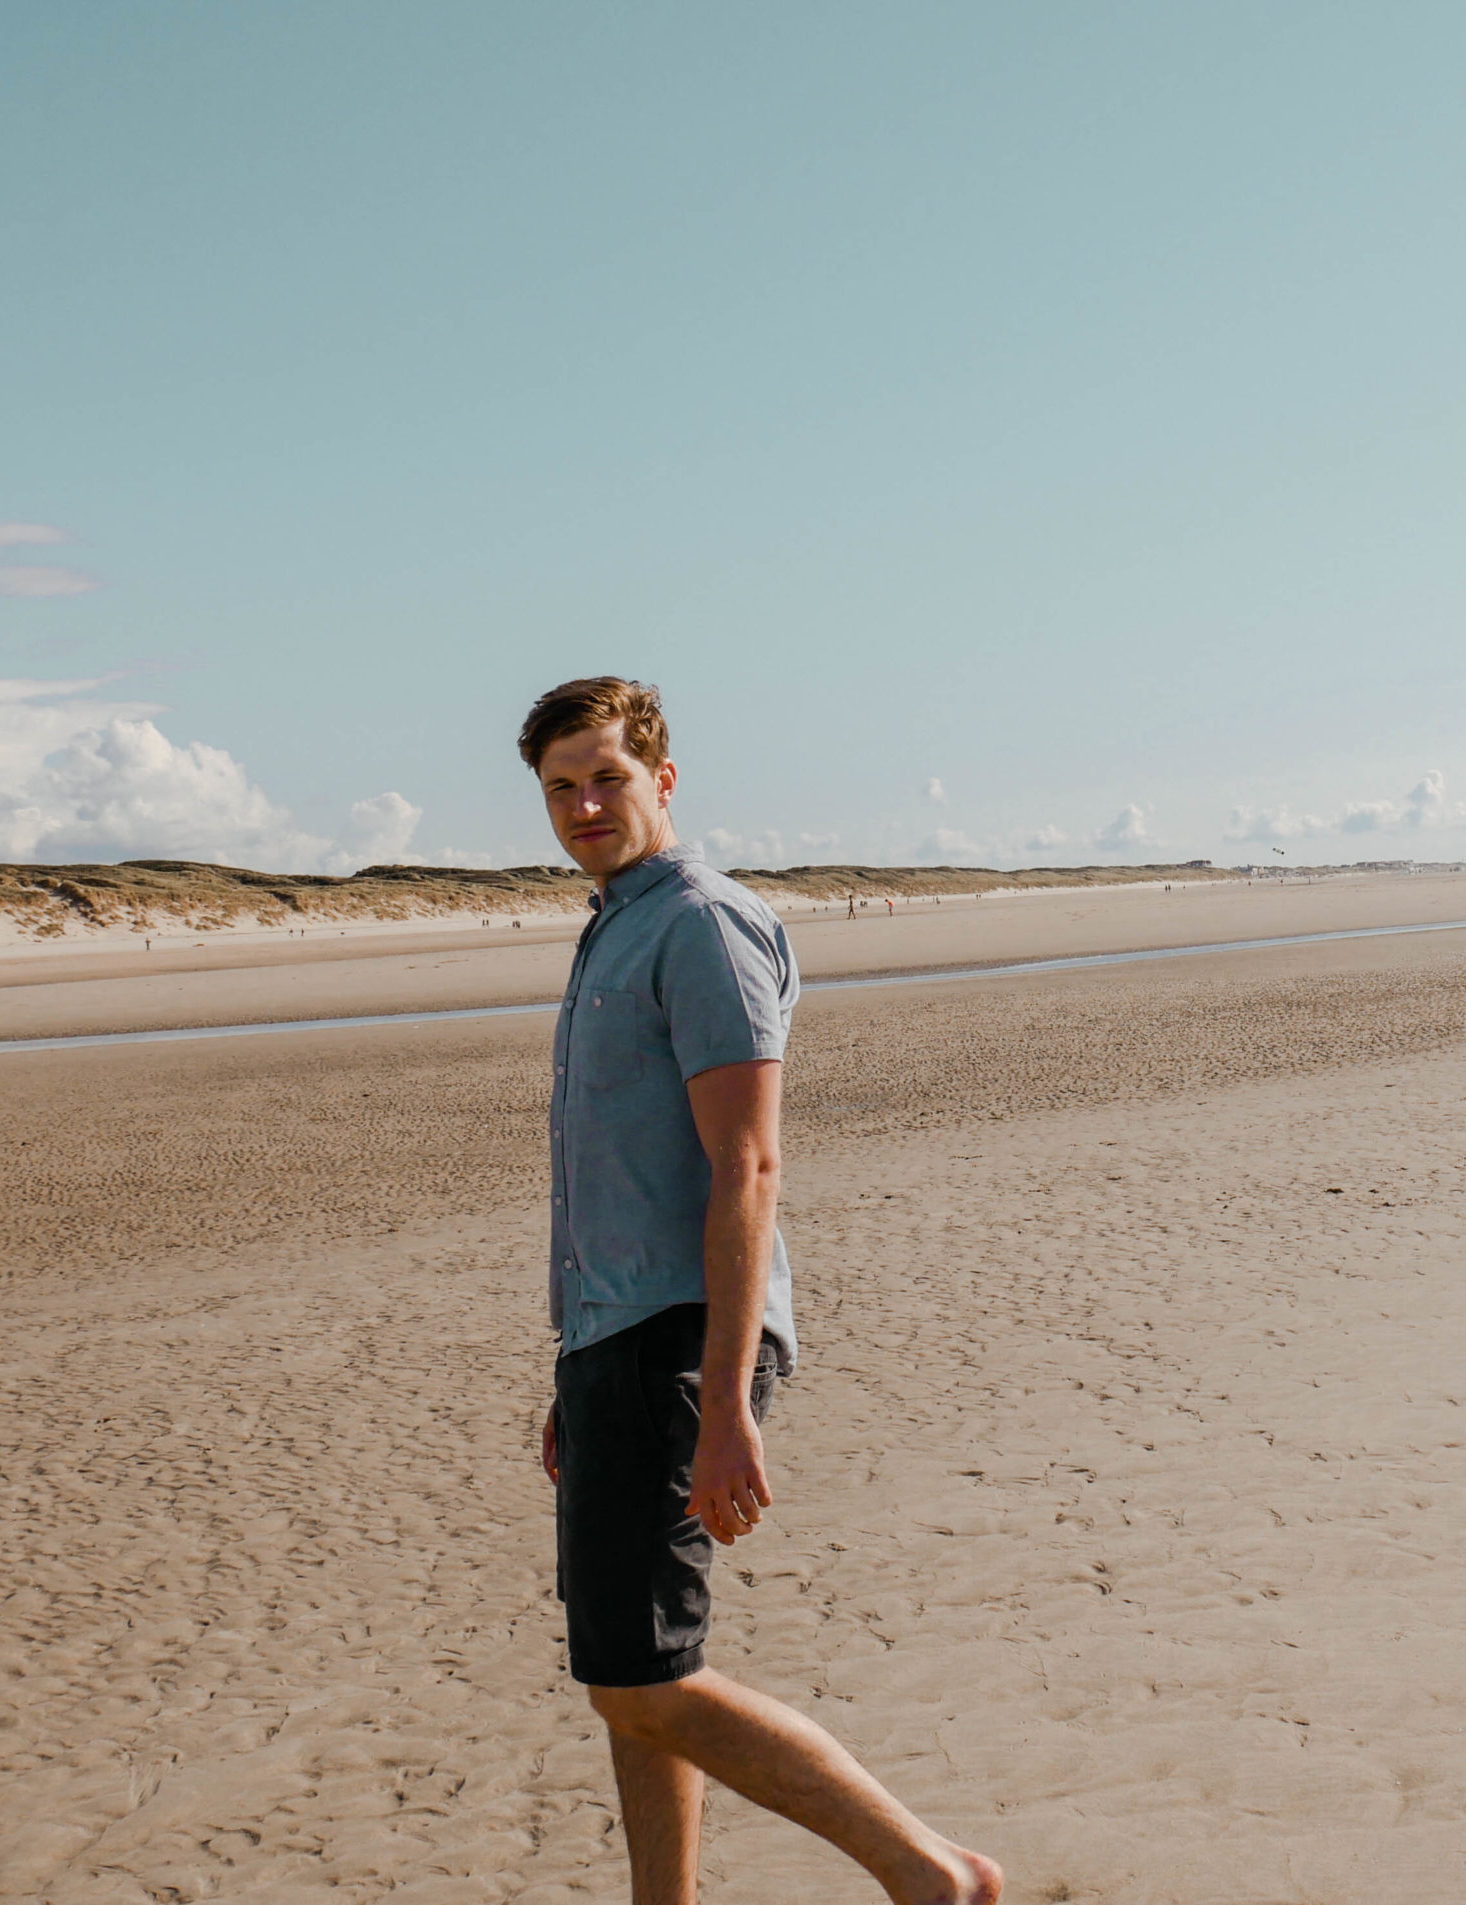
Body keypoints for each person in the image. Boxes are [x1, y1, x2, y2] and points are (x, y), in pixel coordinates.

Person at [520, 677, 1001, 1905]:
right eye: (562, 785)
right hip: (615, 1339)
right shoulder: (614, 924)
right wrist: (577, 1373)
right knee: (639, 1676)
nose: (584, 804)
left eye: (608, 777)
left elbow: (748, 1166)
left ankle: (932, 1873)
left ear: (664, 780)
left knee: (640, 1679)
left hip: (680, 1338)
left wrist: (725, 1403)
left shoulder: (702, 924)